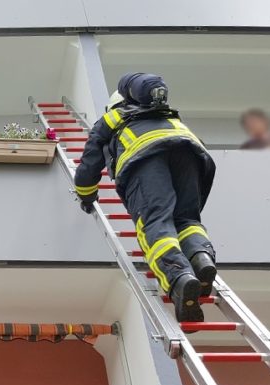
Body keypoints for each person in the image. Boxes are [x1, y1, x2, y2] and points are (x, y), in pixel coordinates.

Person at [74, 72, 217, 324]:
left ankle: (179, 278)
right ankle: (201, 258)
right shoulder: (165, 113)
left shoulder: (112, 118)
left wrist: (86, 195)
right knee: (186, 219)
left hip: (145, 160)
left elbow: (89, 162)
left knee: (155, 221)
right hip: (190, 153)